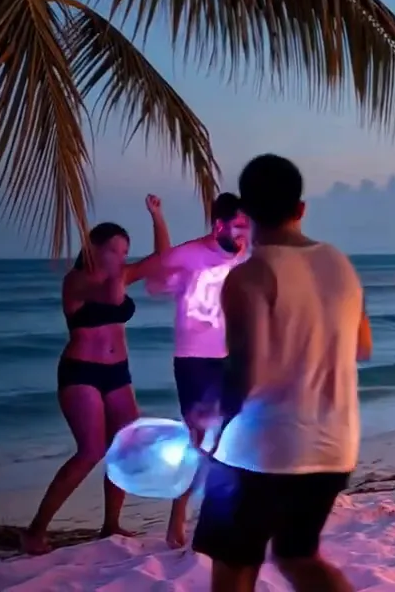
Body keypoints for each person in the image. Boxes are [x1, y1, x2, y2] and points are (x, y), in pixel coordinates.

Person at [191, 154, 368, 592]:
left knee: (233, 566)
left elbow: (247, 371)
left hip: (260, 452)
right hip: (333, 446)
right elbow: (362, 347)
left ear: (245, 213)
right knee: (297, 556)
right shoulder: (340, 264)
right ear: (301, 208)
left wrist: (208, 422)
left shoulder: (249, 276)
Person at [22, 195, 169, 555]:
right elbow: (112, 297)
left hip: (118, 373)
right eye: (113, 251)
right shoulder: (76, 282)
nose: (120, 258)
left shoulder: (118, 275)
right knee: (91, 450)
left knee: (125, 446)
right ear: (94, 249)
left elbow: (159, 260)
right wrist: (122, 274)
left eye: (124, 252)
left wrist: (157, 216)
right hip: (81, 373)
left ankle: (110, 525)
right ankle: (35, 530)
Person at [145, 192, 251, 549]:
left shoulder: (244, 257)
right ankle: (178, 514)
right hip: (194, 359)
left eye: (246, 228)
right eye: (237, 228)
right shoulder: (189, 255)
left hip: (233, 358)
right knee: (200, 441)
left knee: (234, 438)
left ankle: (225, 513)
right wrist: (159, 222)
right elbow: (155, 282)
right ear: (218, 225)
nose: (243, 236)